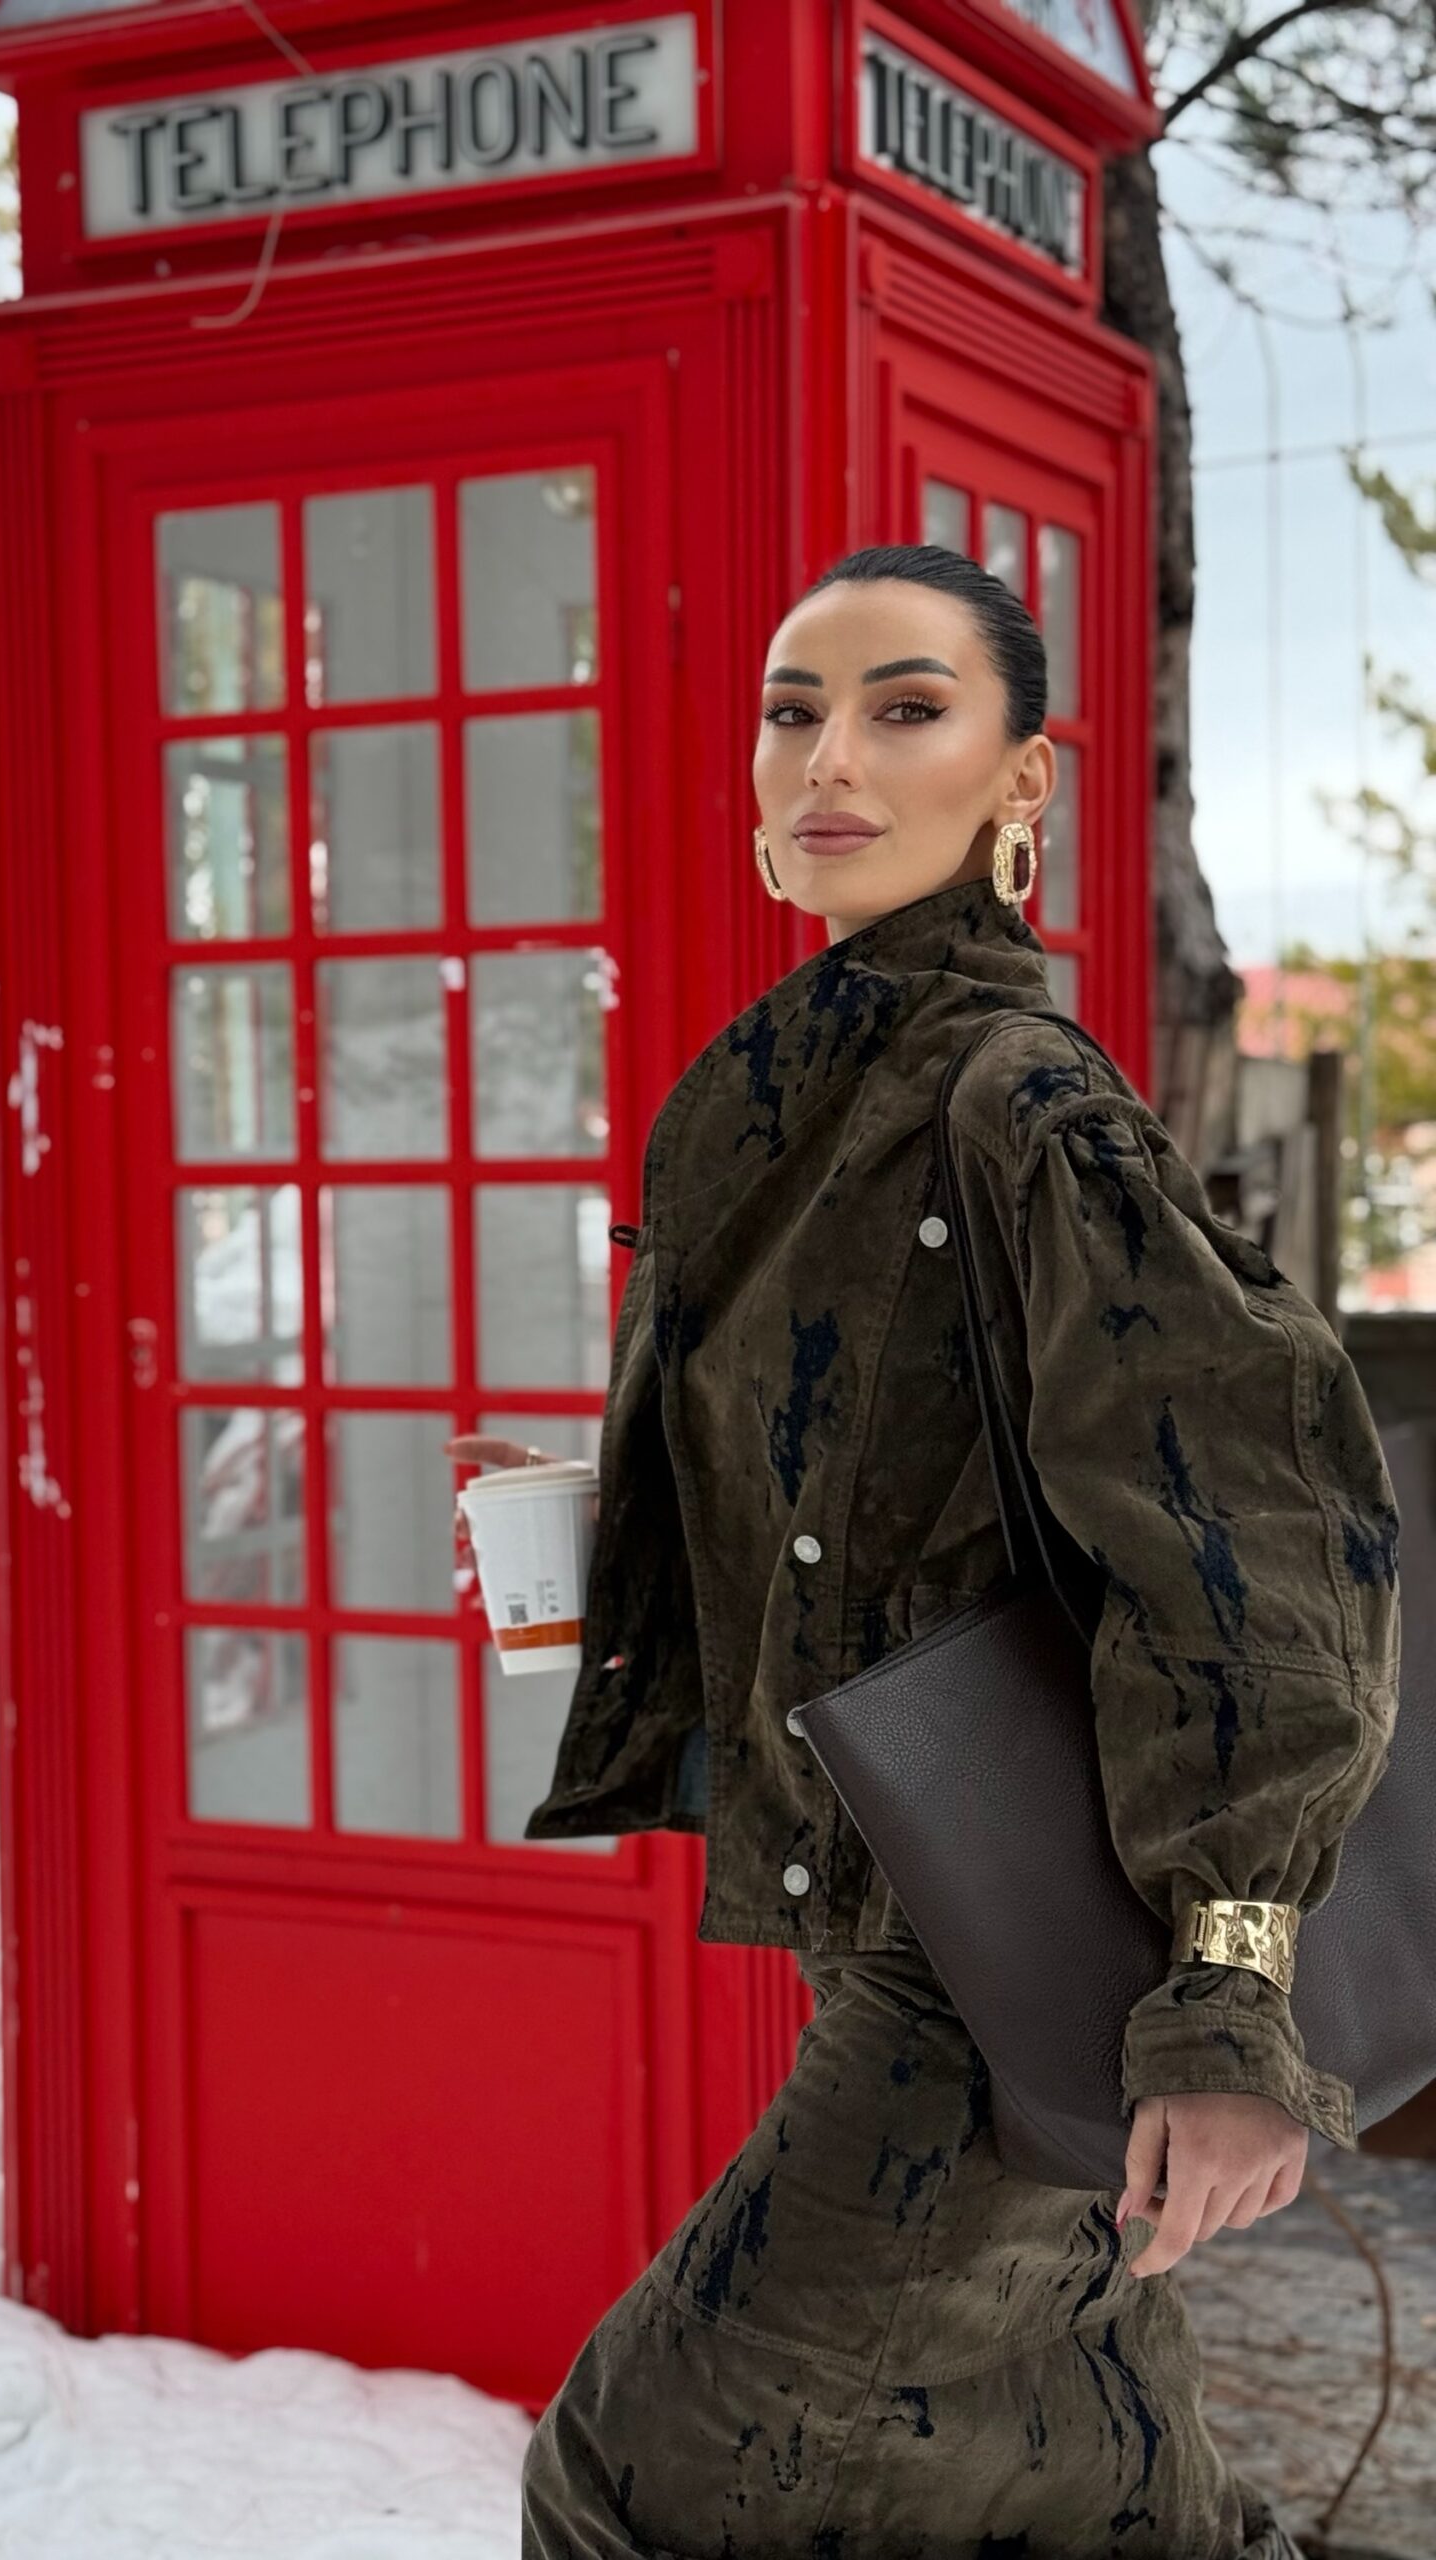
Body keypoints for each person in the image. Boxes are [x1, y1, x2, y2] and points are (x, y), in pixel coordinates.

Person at [446, 544, 1402, 2558]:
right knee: (1094, 2485)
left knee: (629, 2474)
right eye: (794, 711)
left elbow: (1249, 1531)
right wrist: (616, 1549)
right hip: (909, 1901)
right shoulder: (793, 1099)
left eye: (906, 708)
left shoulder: (1020, 1098)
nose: (832, 759)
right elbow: (877, 1509)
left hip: (1022, 1965)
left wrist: (1232, 2009)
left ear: (1022, 779)